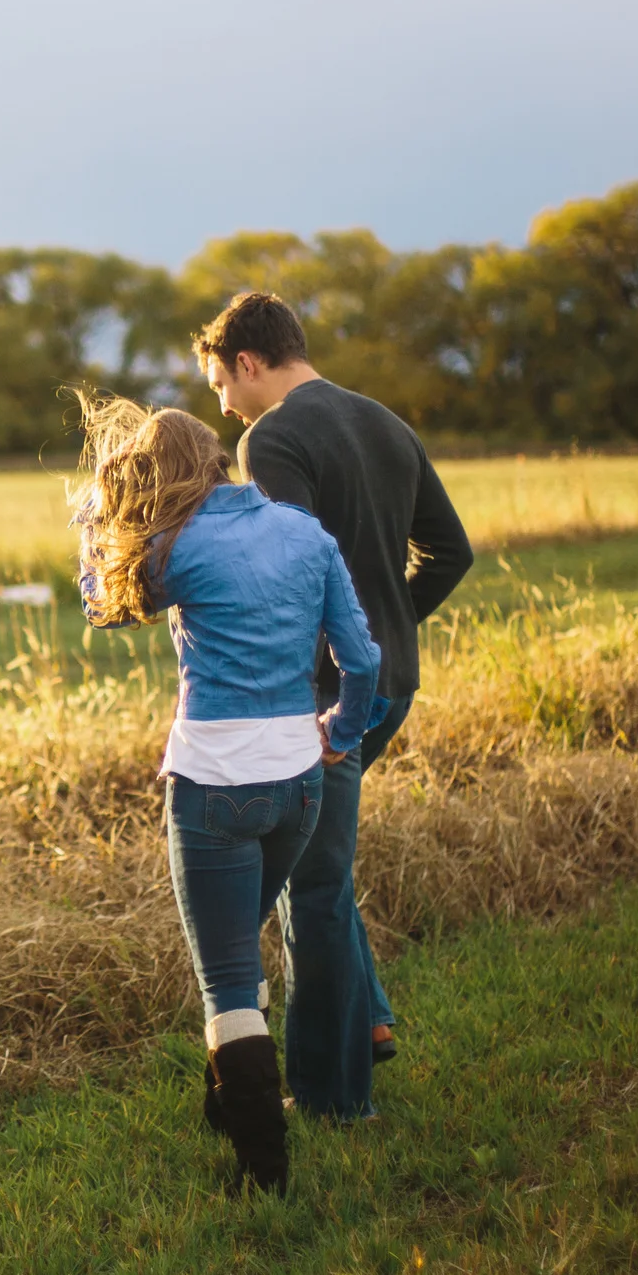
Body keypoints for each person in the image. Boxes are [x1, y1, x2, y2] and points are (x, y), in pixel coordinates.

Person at [73, 394, 384, 1192]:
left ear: (159, 479)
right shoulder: (305, 534)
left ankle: (264, 1167)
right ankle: (230, 1092)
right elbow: (364, 661)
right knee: (238, 946)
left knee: (227, 979)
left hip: (213, 788)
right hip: (300, 787)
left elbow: (100, 603)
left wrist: (90, 517)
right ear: (217, 459)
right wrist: (342, 731)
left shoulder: (173, 547)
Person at [192, 291, 474, 1124]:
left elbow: (292, 566)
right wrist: (385, 630)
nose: (222, 404)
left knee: (310, 885)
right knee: (316, 859)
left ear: (248, 362)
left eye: (219, 385)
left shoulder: (270, 436)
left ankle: (332, 1094)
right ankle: (371, 1019)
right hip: (394, 681)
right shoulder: (387, 422)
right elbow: (451, 552)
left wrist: (330, 659)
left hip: (324, 698)